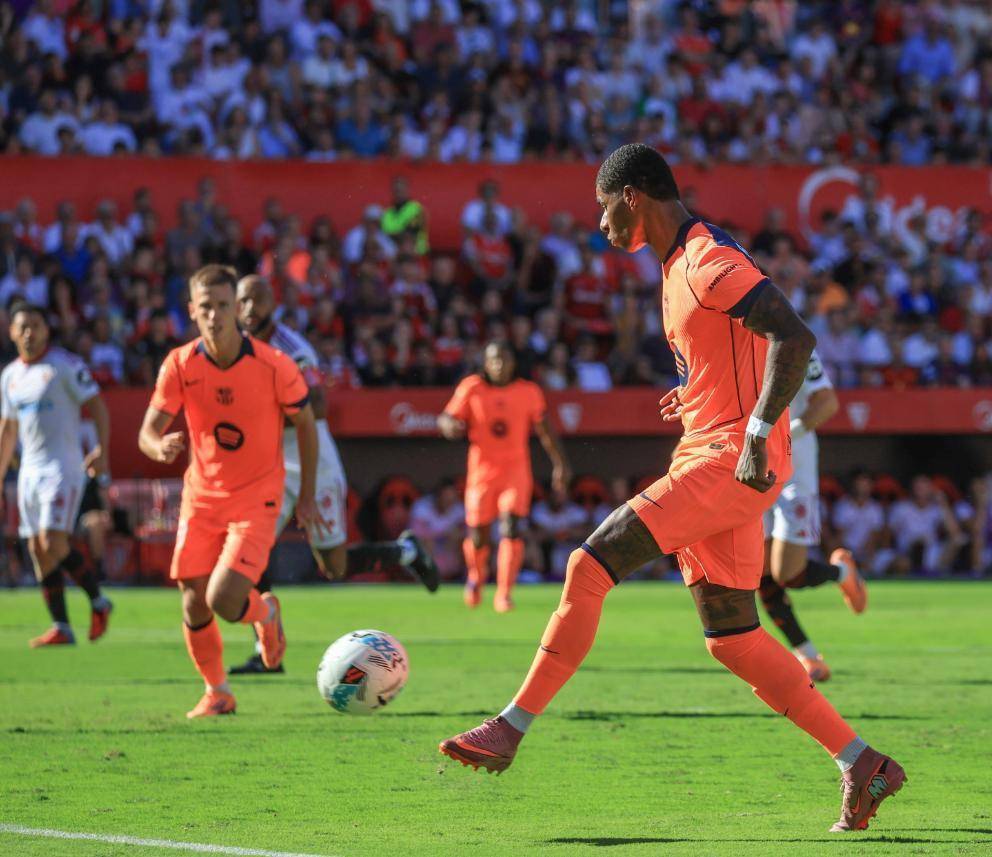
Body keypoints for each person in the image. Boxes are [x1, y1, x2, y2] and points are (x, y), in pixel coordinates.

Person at [439, 144, 905, 833]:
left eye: (604, 209)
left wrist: (755, 429)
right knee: (733, 639)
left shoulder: (706, 259)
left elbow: (794, 336)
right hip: (714, 450)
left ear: (632, 196)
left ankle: (511, 726)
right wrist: (696, 394)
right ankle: (863, 762)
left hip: (730, 460)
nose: (601, 225)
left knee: (589, 564)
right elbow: (734, 353)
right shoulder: (675, 265)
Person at [138, 265, 324, 718]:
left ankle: (265, 614)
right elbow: (147, 431)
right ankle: (217, 691)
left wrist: (306, 494)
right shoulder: (180, 364)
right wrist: (158, 447)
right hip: (201, 496)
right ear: (191, 310)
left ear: (237, 310)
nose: (215, 315)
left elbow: (306, 423)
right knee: (192, 599)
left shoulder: (274, 364)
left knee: (222, 598)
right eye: (206, 306)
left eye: (223, 305)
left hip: (257, 496)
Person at [229, 275, 439, 674]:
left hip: (313, 464)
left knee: (334, 567)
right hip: (269, 470)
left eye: (258, 299)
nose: (250, 308)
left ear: (274, 302)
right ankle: (266, 651)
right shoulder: (234, 347)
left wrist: (261, 416)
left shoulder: (292, 349)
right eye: (244, 301)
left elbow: (319, 406)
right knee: (252, 552)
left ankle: (405, 553)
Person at [0, 303, 112, 647]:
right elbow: (8, 429)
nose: (29, 333)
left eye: (36, 325)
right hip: (29, 471)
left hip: (62, 467)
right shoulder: (10, 376)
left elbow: (97, 405)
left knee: (52, 541)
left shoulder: (65, 366)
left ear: (46, 330)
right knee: (37, 548)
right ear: (12, 332)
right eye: (23, 327)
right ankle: (62, 626)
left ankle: (99, 601)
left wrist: (102, 451)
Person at [758, 350, 866, 684]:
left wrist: (787, 432)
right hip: (752, 471)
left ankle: (842, 572)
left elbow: (827, 402)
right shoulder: (734, 345)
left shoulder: (794, 343)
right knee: (758, 574)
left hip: (794, 476)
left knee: (788, 574)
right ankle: (807, 655)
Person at [438, 341, 570, 612]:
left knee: (511, 526)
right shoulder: (472, 388)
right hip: (482, 472)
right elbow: (446, 417)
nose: (499, 365)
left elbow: (545, 430)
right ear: (486, 363)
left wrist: (560, 464)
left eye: (504, 359)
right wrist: (449, 425)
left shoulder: (528, 391)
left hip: (515, 470)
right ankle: (476, 577)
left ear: (513, 363)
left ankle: (504, 592)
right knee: (479, 534)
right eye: (494, 360)